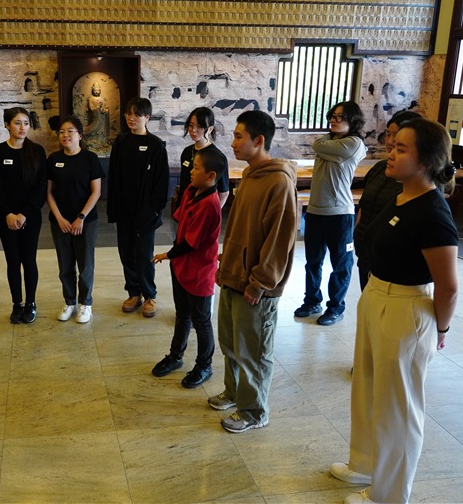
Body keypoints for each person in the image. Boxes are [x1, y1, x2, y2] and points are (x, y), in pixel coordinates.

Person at [330, 119, 458, 504]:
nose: (391, 152)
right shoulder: (400, 195)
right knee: (368, 390)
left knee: (398, 409)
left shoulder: (433, 213)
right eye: (393, 145)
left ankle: (388, 495)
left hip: (406, 309)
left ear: (426, 161)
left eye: (401, 149)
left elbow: (448, 286)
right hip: (376, 296)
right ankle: (365, 464)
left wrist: (441, 329)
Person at [209, 110, 297, 433]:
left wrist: (260, 282)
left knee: (254, 351)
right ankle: (234, 393)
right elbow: (239, 228)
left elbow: (279, 240)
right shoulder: (249, 175)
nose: (232, 143)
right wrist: (226, 263)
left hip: (256, 285)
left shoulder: (278, 181)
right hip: (235, 276)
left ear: (259, 141)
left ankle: (254, 411)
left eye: (238, 136)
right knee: (232, 344)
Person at [151, 149, 223, 388]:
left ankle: (204, 366)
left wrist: (167, 254)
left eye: (196, 168)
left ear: (211, 176)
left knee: (201, 321)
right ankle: (176, 356)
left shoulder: (210, 204)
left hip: (199, 272)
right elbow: (179, 216)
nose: (191, 171)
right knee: (183, 315)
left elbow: (191, 243)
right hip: (182, 266)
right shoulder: (193, 191)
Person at [294, 101, 366, 326]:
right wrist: (326, 142)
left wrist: (324, 143)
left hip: (340, 213)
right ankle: (312, 301)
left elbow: (317, 145)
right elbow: (320, 145)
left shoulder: (354, 143)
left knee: (340, 265)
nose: (333, 121)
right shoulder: (330, 142)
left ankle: (335, 308)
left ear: (352, 120)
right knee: (312, 262)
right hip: (315, 211)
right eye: (332, 116)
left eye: (339, 117)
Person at [106, 97, 169, 318]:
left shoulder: (156, 145)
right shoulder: (120, 142)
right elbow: (113, 177)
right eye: (128, 114)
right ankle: (134, 293)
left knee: (144, 255)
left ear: (147, 117)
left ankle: (150, 294)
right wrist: (113, 208)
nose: (131, 118)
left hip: (146, 213)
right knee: (126, 254)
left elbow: (162, 182)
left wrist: (153, 210)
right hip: (125, 211)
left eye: (137, 114)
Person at [0, 107, 47, 324]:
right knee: (12, 261)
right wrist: (8, 215)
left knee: (29, 260)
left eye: (26, 123)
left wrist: (23, 214)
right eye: (17, 123)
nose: (22, 127)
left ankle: (30, 303)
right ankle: (16, 304)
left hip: (30, 217)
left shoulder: (37, 151)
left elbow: (41, 187)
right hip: (7, 218)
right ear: (7, 125)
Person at [354, 110, 421, 289]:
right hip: (365, 253)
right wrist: (358, 234)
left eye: (396, 135)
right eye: (388, 134)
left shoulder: (415, 179)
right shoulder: (379, 169)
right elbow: (364, 206)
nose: (390, 141)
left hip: (392, 260)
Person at [47, 116, 104, 324]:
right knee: (65, 265)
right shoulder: (53, 159)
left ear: (80, 135)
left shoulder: (90, 159)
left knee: (85, 265)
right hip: (60, 221)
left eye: (70, 131)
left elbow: (96, 192)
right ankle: (70, 302)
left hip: (86, 221)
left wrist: (81, 217)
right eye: (62, 132)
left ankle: (86, 303)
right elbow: (48, 192)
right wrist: (59, 218)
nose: (66, 135)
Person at [173, 107, 230, 211]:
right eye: (191, 125)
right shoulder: (187, 151)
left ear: (210, 129)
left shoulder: (217, 157)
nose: (193, 130)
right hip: (183, 210)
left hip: (202, 211)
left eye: (199, 127)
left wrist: (212, 213)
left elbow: (224, 192)